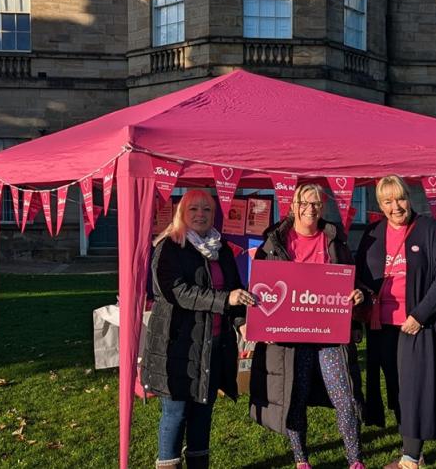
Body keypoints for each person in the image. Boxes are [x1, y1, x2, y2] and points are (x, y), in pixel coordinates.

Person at [248, 183, 367, 469]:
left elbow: (352, 278)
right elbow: (258, 288)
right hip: (293, 337)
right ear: (293, 205)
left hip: (330, 333)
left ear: (322, 206)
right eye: (304, 203)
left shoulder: (334, 238)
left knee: (345, 395)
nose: (310, 209)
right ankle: (301, 459)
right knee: (295, 396)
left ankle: (355, 460)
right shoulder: (275, 241)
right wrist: (258, 323)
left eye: (316, 203)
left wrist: (358, 292)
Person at [141, 190, 256, 469]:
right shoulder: (169, 246)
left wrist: (242, 322)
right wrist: (223, 300)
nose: (201, 215)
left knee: (203, 411)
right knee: (176, 412)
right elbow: (175, 291)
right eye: (194, 209)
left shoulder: (222, 249)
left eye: (207, 209)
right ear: (182, 213)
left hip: (214, 344)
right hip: (178, 343)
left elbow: (234, 289)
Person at [355, 175, 436, 469]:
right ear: (380, 204)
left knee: (414, 386)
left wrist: (420, 315)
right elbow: (360, 274)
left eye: (400, 198)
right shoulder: (373, 232)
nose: (395, 206)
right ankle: (411, 445)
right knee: (397, 386)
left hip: (417, 325)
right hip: (382, 325)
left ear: (409, 198)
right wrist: (359, 293)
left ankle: (411, 458)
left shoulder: (429, 229)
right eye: (388, 201)